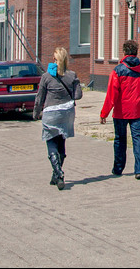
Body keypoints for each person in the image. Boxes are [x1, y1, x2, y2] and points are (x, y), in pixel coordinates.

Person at [99, 39, 140, 179]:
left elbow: (112, 94)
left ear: (124, 52)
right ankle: (139, 170)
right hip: (138, 109)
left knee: (120, 139)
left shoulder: (118, 71)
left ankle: (118, 169)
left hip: (121, 111)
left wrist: (104, 113)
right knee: (138, 138)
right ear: (136, 51)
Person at [33, 46, 82, 190]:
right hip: (67, 112)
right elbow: (78, 95)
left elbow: (39, 98)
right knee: (61, 140)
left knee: (51, 141)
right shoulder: (72, 75)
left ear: (54, 60)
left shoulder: (47, 76)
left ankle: (59, 174)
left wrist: (36, 112)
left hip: (51, 113)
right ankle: (56, 175)